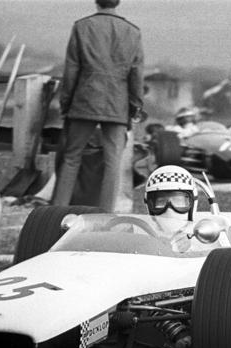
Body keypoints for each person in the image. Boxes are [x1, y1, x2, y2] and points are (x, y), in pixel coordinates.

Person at [52, 0, 144, 213]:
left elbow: (71, 70)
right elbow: (136, 75)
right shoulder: (132, 31)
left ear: (96, 1)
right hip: (117, 104)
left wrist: (65, 103)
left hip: (85, 99)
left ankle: (56, 213)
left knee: (72, 157)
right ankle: (105, 215)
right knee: (113, 163)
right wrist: (134, 107)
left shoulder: (81, 27)